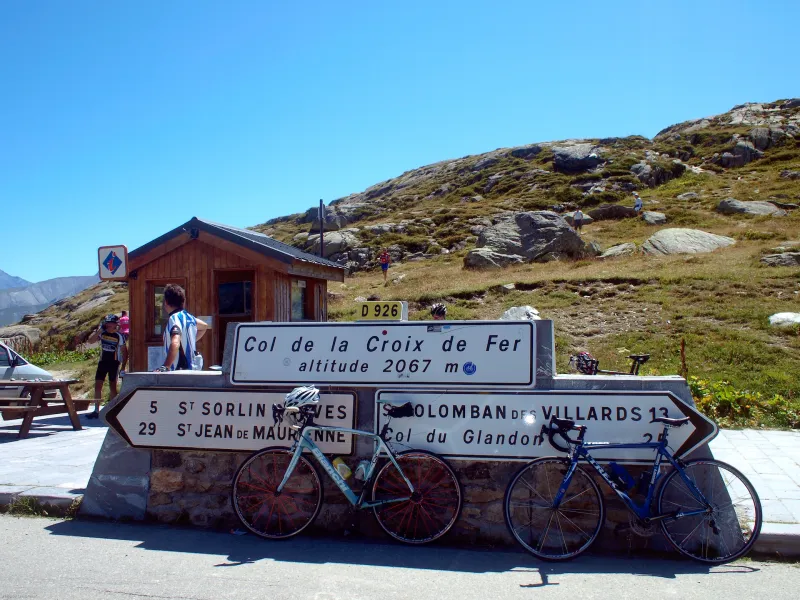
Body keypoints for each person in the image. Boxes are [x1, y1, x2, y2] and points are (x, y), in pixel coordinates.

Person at [156, 284, 208, 372]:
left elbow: (175, 342)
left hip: (178, 372)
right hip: (193, 370)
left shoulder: (174, 318)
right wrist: (188, 341)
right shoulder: (189, 317)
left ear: (166, 303)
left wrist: (166, 366)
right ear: (183, 302)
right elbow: (204, 326)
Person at [86, 314, 128, 419]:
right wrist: (100, 330)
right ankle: (96, 410)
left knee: (112, 386)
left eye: (110, 323)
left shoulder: (119, 336)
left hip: (114, 363)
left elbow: (125, 352)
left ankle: (112, 410)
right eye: (107, 323)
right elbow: (90, 341)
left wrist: (123, 367)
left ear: (115, 324)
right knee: (98, 385)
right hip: (103, 362)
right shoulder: (102, 333)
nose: (108, 325)